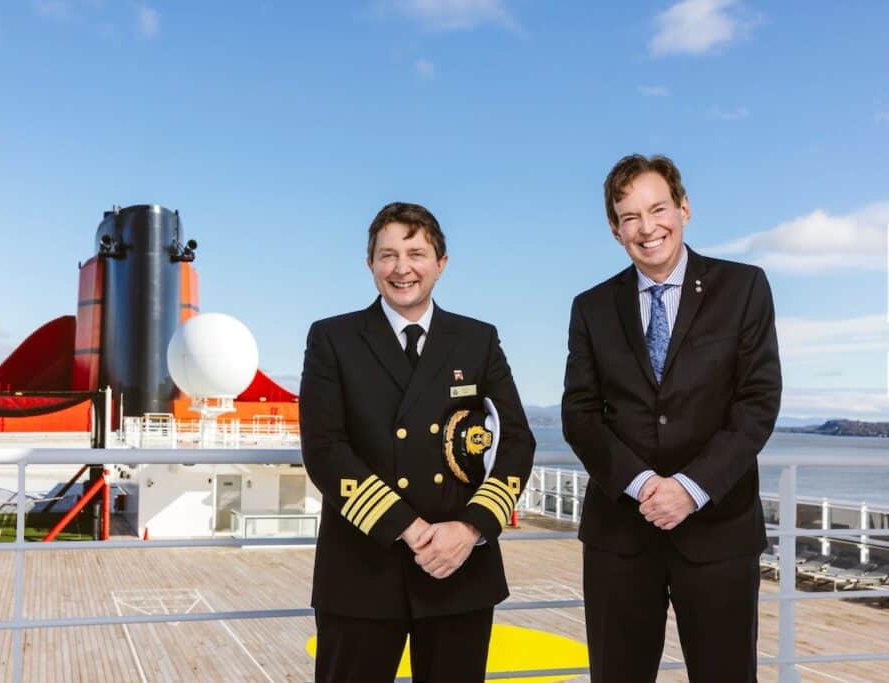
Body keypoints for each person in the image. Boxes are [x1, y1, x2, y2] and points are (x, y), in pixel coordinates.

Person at [562, 154, 781, 682]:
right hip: (620, 535)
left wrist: (690, 486)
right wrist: (640, 485)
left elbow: (758, 401)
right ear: (615, 231)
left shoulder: (744, 287)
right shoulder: (591, 307)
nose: (647, 227)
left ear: (683, 208)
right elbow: (579, 413)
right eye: (630, 217)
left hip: (718, 532)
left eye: (657, 209)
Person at [299, 201, 535, 683]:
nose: (401, 268)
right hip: (362, 571)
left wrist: (470, 530)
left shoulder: (478, 339)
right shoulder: (333, 339)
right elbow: (324, 448)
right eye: (387, 255)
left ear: (440, 264)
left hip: (459, 569)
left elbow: (516, 440)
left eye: (416, 253)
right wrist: (410, 528)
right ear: (370, 266)